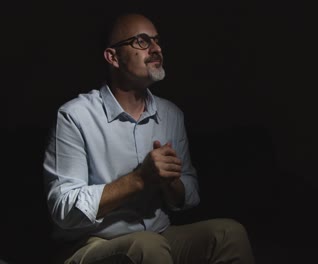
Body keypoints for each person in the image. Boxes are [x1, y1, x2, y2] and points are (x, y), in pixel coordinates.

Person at [43, 12, 255, 264]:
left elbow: (190, 194)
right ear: (113, 57)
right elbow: (63, 209)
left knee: (229, 233)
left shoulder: (171, 114)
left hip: (159, 234)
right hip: (91, 243)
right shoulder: (74, 115)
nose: (156, 49)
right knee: (148, 246)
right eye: (142, 42)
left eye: (156, 41)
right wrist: (139, 179)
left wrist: (172, 181)